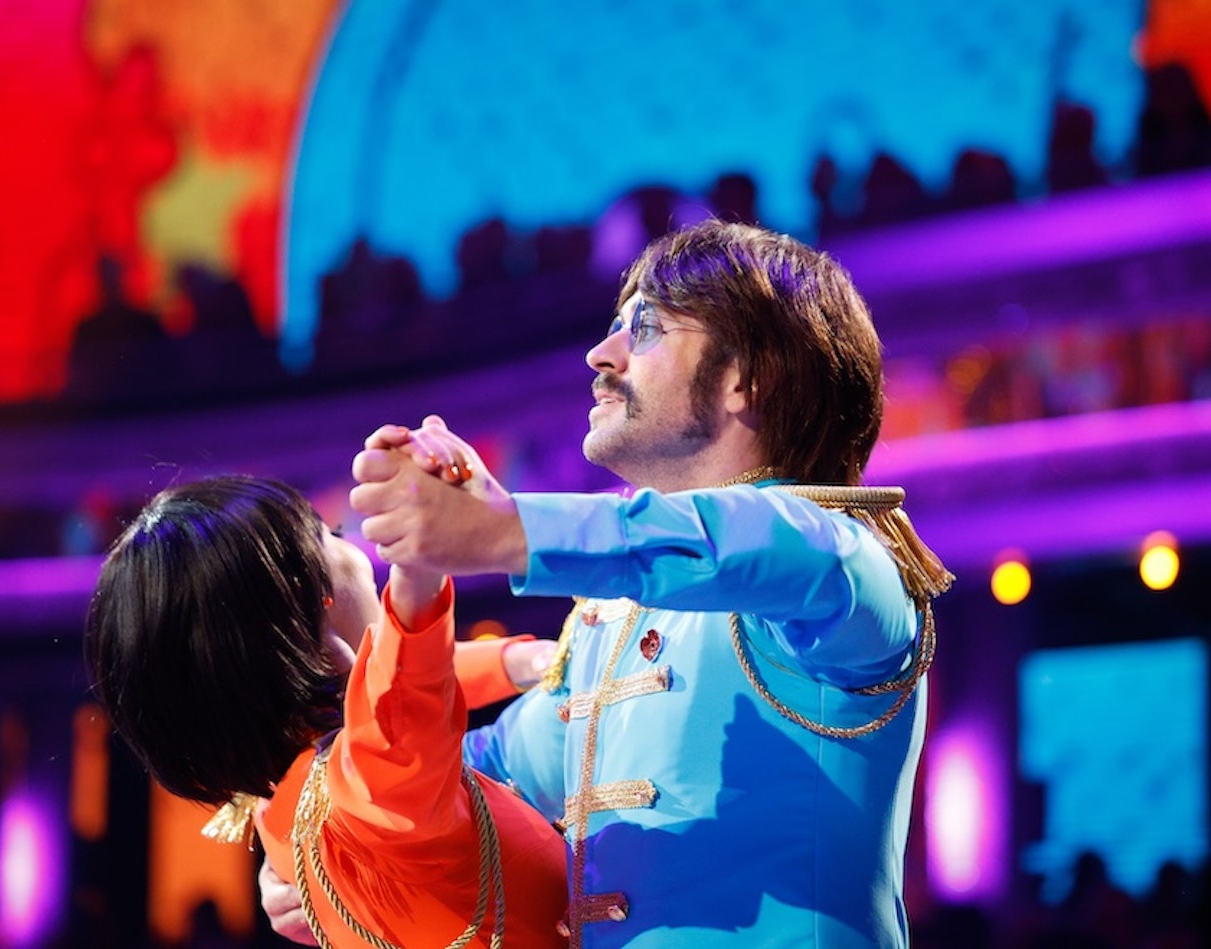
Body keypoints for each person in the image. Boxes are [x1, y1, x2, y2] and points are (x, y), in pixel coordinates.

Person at [329, 220, 953, 947]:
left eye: (646, 327)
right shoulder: (606, 624)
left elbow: (761, 542)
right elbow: (454, 784)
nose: (601, 354)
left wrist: (503, 528)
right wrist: (322, 842)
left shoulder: (846, 559)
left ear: (748, 376)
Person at [84, 474, 568, 947]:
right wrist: (420, 553)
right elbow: (405, 692)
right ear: (314, 594)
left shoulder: (278, 809)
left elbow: (401, 694)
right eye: (330, 533)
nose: (354, 541)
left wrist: (516, 660)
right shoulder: (374, 778)